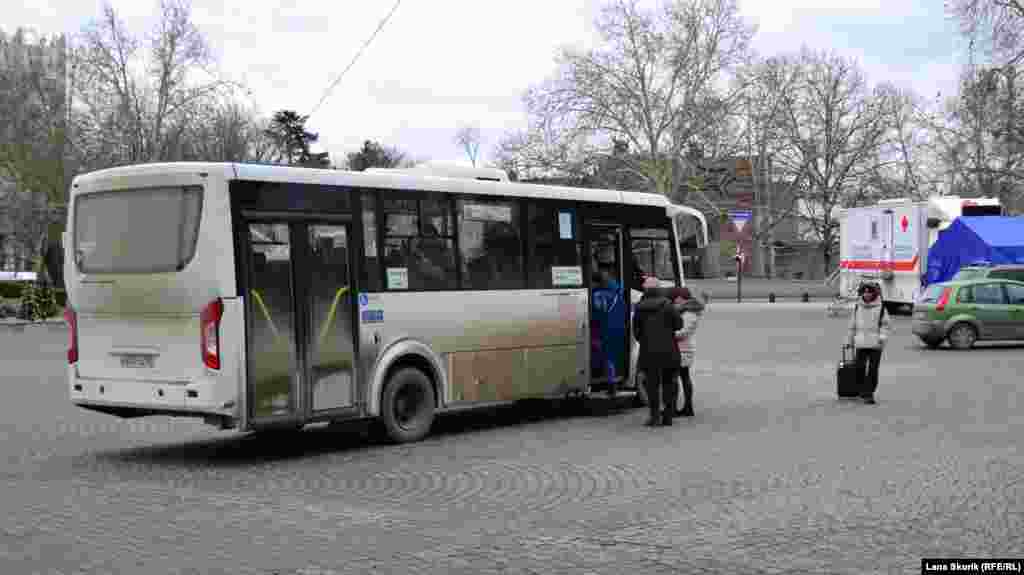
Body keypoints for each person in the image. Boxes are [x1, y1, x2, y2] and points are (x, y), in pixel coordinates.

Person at [632, 278, 683, 426]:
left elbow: (636, 331)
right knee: (669, 383)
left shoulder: (639, 307)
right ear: (659, 289)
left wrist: (646, 341)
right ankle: (668, 415)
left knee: (652, 385)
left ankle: (654, 416)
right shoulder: (667, 305)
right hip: (669, 351)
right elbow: (679, 324)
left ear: (646, 291)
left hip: (648, 352)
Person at [846, 280, 891, 404]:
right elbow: (852, 325)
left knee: (873, 369)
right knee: (859, 368)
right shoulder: (857, 306)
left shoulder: (881, 307)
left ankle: (869, 393)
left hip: (876, 344)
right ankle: (862, 390)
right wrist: (849, 340)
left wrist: (882, 337)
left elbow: (886, 325)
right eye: (865, 292)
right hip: (860, 343)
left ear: (874, 294)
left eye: (869, 292)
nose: (867, 294)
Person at [669, 287, 704, 417]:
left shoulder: (689, 313)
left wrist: (668, 333)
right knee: (683, 377)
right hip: (683, 348)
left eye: (676, 298)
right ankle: (686, 407)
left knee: (676, 378)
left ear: (682, 298)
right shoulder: (687, 311)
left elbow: (683, 332)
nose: (674, 301)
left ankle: (679, 408)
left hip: (683, 349)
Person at [593, 265, 626, 396]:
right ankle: (611, 382)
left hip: (604, 329)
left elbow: (596, 312)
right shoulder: (618, 294)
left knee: (607, 357)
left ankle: (611, 384)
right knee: (611, 356)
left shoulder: (597, 295)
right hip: (618, 328)